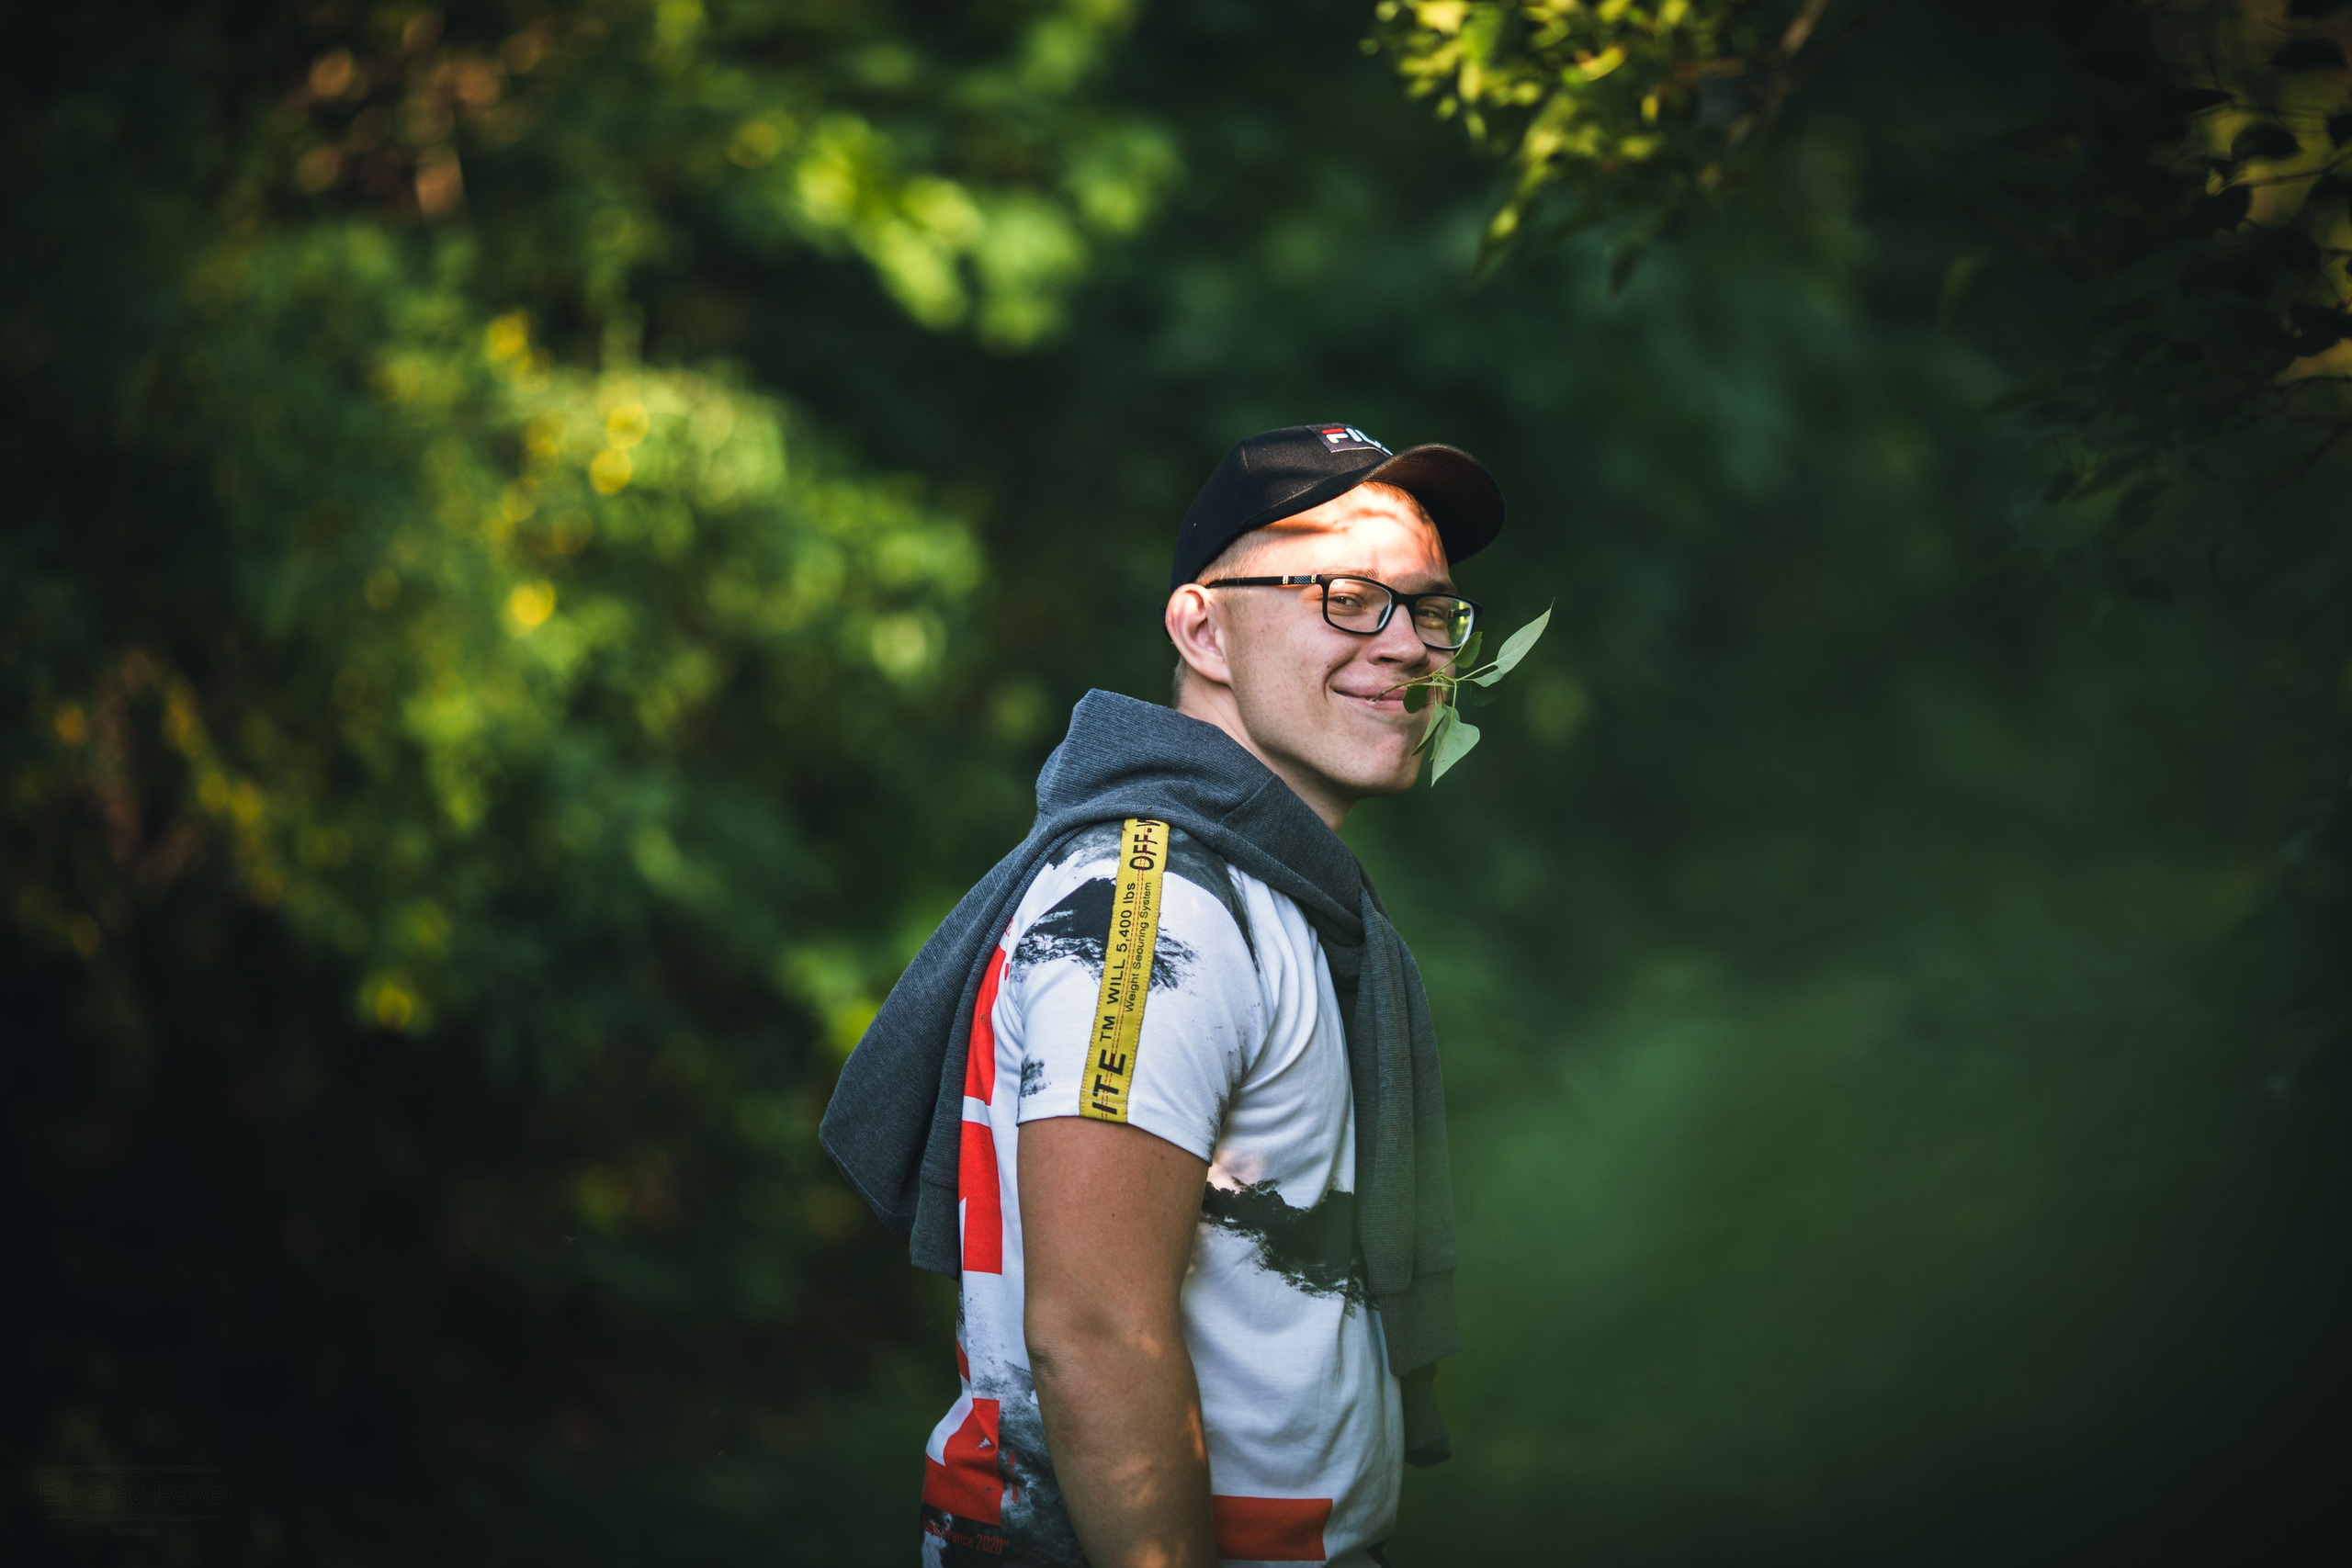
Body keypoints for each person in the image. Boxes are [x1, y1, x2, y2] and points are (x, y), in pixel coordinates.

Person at [820, 423, 1506, 1566]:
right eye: (1347, 596)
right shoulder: (1158, 911)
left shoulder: (1265, 893)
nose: (1407, 646)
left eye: (1429, 609)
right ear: (1203, 628)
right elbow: (1095, 1336)